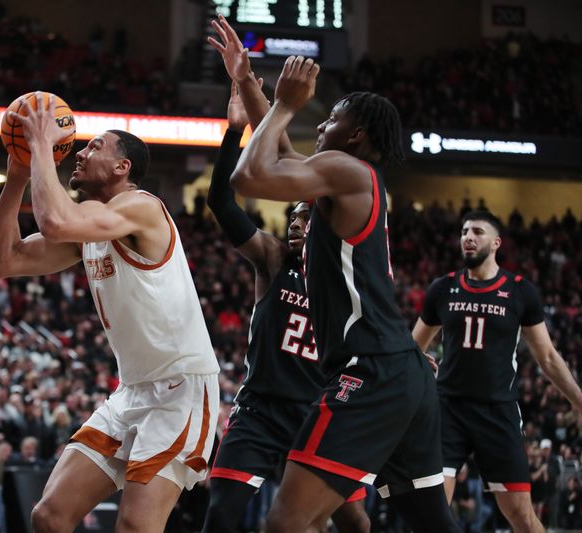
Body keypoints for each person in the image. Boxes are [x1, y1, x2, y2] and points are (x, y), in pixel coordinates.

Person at [208, 16, 457, 533]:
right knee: (428, 521)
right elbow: (281, 153)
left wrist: (287, 104)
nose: (319, 128)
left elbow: (249, 174)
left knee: (286, 523)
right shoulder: (345, 179)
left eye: (330, 119)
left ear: (356, 133)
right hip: (398, 369)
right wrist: (249, 82)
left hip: (370, 369)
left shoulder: (347, 171)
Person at [0, 92, 220, 533]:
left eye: (94, 146)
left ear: (121, 167)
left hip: (181, 390)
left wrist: (38, 147)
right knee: (49, 516)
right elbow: (0, 262)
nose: (80, 150)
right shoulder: (86, 226)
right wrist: (17, 175)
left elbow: (55, 221)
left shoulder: (141, 206)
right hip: (132, 390)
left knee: (135, 525)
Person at [201, 81, 368, 532]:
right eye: (292, 215)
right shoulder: (273, 259)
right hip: (260, 408)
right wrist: (234, 131)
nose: (295, 223)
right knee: (221, 513)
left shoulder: (343, 275)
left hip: (319, 410)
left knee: (355, 521)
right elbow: (221, 201)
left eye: (306, 217)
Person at [412, 209, 582, 533]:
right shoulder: (442, 288)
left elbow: (546, 356)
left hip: (498, 411)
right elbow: (411, 347)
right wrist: (416, 361)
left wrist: (578, 400)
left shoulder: (520, 291)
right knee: (431, 514)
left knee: (522, 518)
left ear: (496, 243)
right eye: (464, 231)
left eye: (477, 231)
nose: (468, 237)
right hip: (449, 409)